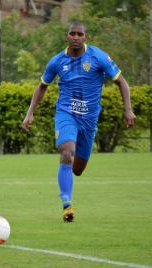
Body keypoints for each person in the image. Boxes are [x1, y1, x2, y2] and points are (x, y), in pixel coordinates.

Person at [22, 21, 136, 223]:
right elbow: (42, 86)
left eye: (79, 34)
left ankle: (68, 176)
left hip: (89, 121)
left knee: (77, 169)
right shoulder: (57, 61)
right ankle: (67, 204)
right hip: (66, 114)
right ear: (67, 36)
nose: (76, 37)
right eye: (72, 34)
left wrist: (128, 109)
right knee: (66, 152)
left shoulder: (98, 57)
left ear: (86, 37)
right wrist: (30, 113)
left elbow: (122, 82)